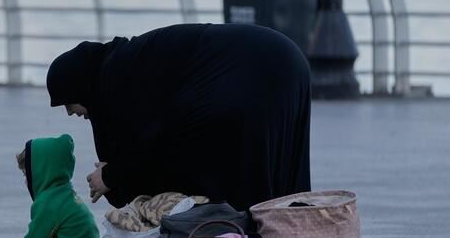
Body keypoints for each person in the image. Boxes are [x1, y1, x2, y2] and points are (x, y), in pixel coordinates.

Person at [47, 23, 312, 211]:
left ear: (82, 86)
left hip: (254, 69)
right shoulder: (128, 62)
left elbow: (154, 138)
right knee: (277, 182)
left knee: (238, 183)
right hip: (285, 58)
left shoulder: (120, 75)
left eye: (69, 102)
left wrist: (111, 176)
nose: (71, 112)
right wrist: (118, 170)